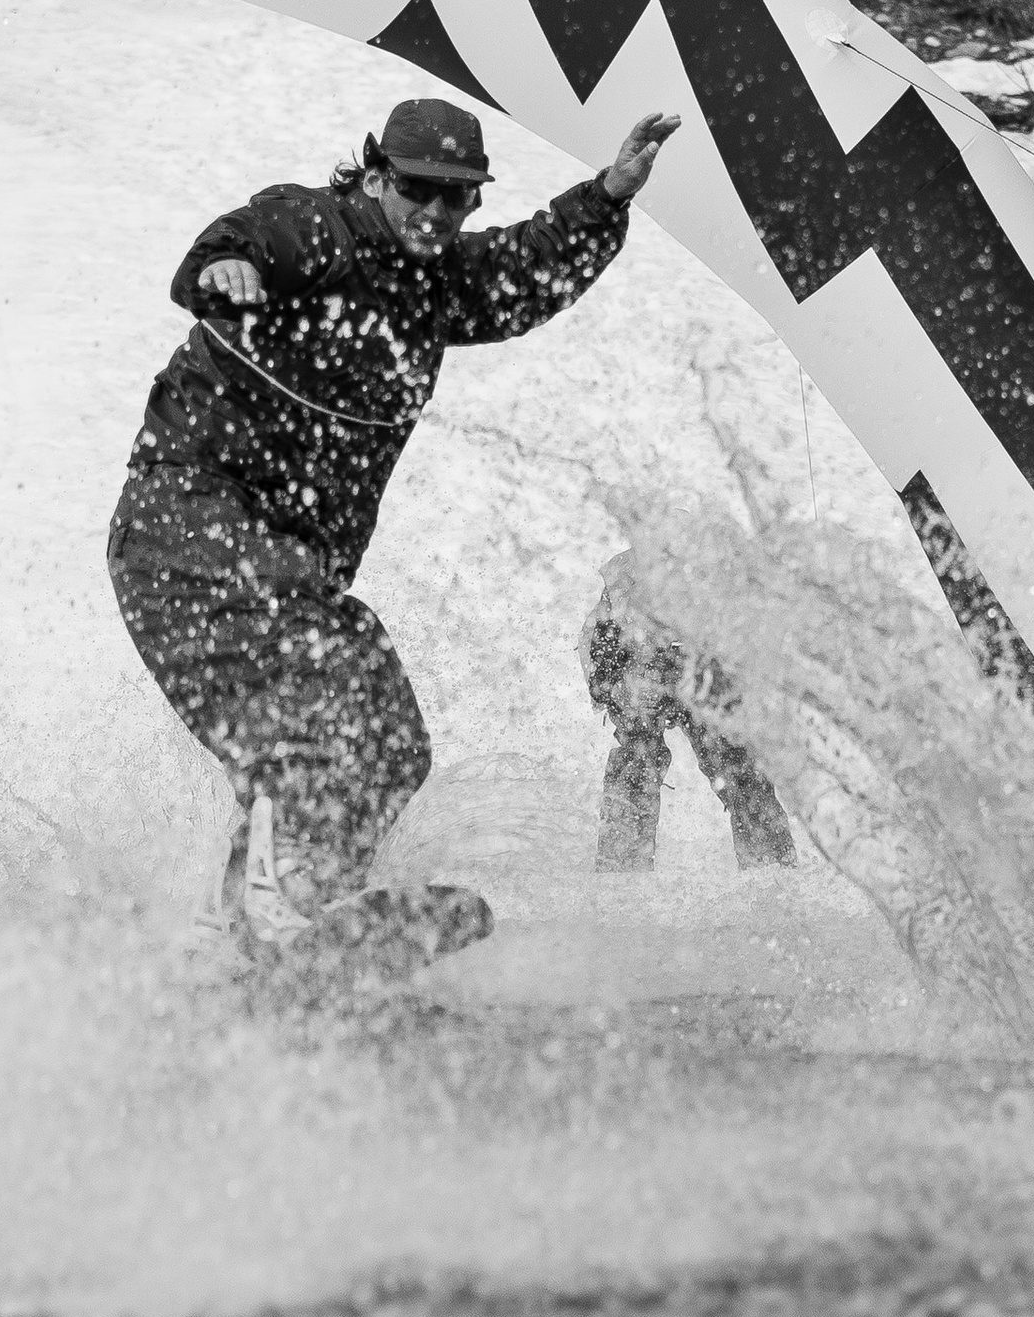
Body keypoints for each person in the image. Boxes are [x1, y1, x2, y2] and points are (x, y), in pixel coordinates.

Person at [109, 93, 681, 971]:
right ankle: (264, 913)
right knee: (303, 714)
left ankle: (286, 916)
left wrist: (607, 195)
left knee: (389, 741)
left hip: (286, 570)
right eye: (419, 189)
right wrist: (225, 272)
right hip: (184, 531)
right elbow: (236, 242)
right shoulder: (318, 229)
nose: (436, 212)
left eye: (457, 198)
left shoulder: (440, 283)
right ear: (376, 175)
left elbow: (527, 270)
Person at [578, 551, 796, 873]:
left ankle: (773, 871)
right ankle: (621, 869)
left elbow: (756, 644)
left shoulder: (721, 578)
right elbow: (596, 645)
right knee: (637, 762)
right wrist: (610, 691)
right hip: (642, 668)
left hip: (704, 668)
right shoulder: (626, 583)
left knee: (737, 766)